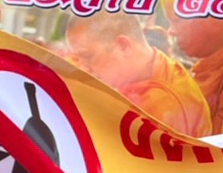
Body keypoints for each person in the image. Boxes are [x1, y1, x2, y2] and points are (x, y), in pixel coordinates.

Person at [64, 12, 211, 137]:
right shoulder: (154, 67)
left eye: (88, 56)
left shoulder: (161, 104)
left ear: (124, 46)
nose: (83, 67)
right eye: (78, 58)